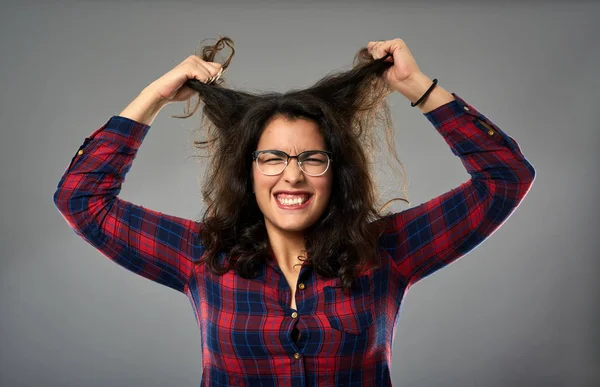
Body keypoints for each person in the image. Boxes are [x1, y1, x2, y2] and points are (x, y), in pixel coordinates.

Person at [53, 37, 536, 386]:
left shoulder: (387, 250)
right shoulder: (203, 256)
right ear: (249, 171)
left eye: (311, 158)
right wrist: (155, 96)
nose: (293, 175)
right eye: (273, 158)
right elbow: (82, 199)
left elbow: (505, 178)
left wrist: (416, 86)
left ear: (336, 171)